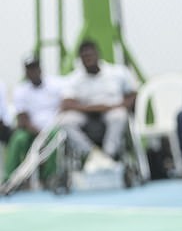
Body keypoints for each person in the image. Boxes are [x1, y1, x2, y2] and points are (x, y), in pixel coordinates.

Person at [58, 39, 138, 170]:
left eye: (90, 55)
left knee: (119, 115)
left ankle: (108, 155)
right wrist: (94, 108)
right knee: (65, 121)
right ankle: (91, 154)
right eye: (84, 57)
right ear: (80, 59)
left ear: (97, 54)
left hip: (112, 111)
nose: (88, 59)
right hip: (86, 114)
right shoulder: (74, 78)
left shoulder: (117, 72)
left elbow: (133, 94)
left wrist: (118, 106)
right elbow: (66, 103)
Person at [3, 56, 64, 183]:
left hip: (54, 127)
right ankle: (10, 179)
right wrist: (40, 133)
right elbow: (22, 118)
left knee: (55, 136)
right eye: (29, 69)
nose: (32, 72)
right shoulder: (20, 90)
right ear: (25, 72)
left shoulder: (57, 84)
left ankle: (50, 176)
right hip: (31, 129)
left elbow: (64, 108)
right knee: (18, 138)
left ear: (40, 68)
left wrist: (47, 132)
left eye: (35, 68)